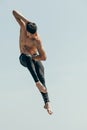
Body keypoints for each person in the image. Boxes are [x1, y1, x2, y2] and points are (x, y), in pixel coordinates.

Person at [12, 10, 53, 115]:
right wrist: (28, 21)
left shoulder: (37, 40)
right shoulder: (23, 26)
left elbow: (44, 57)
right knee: (27, 57)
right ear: (27, 30)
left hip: (34, 58)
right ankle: (37, 82)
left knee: (41, 70)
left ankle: (47, 102)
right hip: (23, 58)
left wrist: (35, 58)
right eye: (31, 34)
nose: (32, 36)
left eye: (34, 34)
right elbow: (14, 12)